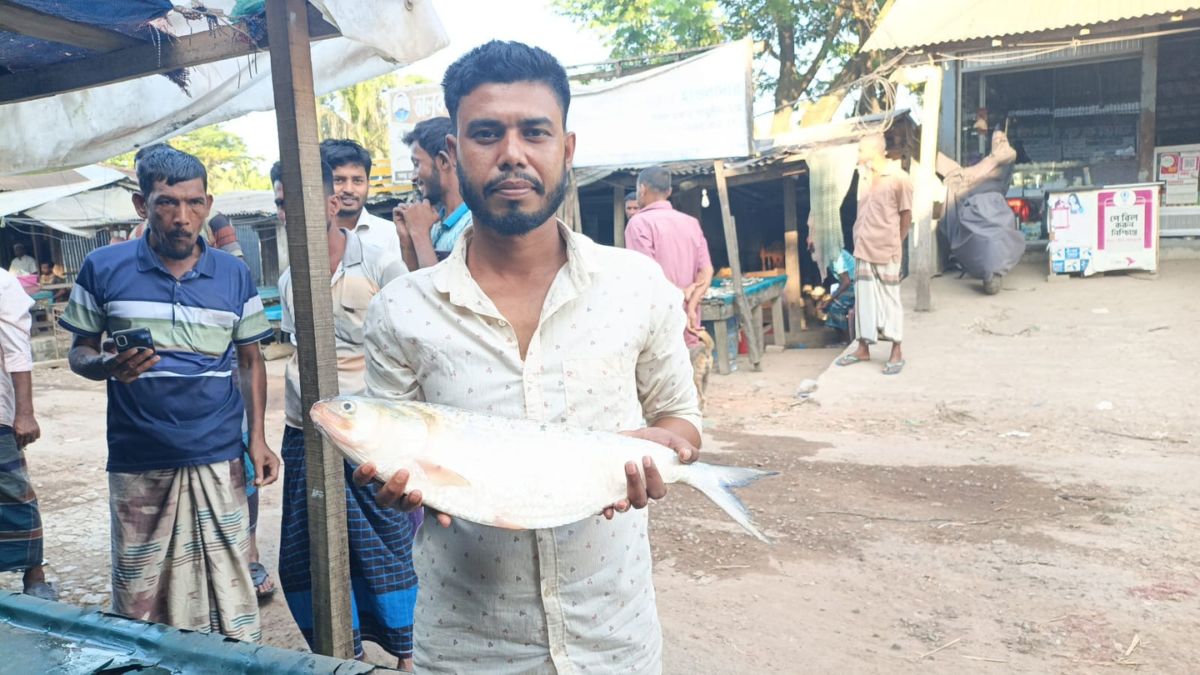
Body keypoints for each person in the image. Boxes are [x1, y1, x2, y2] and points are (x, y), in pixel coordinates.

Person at [356, 40, 702, 673]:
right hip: (465, 646)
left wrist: (663, 450)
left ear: (566, 149)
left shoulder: (636, 286)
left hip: (614, 638)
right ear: (454, 153)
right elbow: (395, 450)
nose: (512, 154)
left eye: (535, 132)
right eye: (487, 134)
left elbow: (681, 419)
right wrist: (395, 488)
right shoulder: (401, 310)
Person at [58, 146, 279, 641]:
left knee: (229, 594)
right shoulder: (103, 267)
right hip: (139, 458)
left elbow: (250, 360)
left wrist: (258, 439)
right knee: (139, 596)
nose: (183, 218)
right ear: (142, 204)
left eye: (194, 203)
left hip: (218, 454)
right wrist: (106, 366)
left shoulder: (233, 273)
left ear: (208, 204)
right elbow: (79, 352)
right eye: (167, 203)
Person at [271, 160, 416, 667]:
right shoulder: (288, 278)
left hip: (369, 431)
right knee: (307, 552)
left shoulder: (380, 263)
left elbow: (410, 342)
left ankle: (407, 656)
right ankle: (342, 652)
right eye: (282, 204)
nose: (290, 214)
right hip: (305, 431)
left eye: (301, 202)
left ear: (331, 203)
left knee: (389, 545)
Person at [625, 165, 715, 409]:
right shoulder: (691, 223)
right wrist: (691, 305)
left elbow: (647, 277)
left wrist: (677, 295)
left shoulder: (638, 224)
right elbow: (706, 272)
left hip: (658, 326)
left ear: (642, 189)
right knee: (690, 398)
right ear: (669, 191)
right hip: (691, 326)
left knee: (659, 403)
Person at [835, 134, 912, 375]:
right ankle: (863, 348)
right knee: (864, 300)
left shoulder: (899, 178)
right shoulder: (864, 176)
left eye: (861, 149)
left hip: (886, 248)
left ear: (875, 150)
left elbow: (906, 216)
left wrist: (896, 244)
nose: (858, 153)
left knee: (890, 300)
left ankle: (896, 350)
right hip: (863, 247)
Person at [0, 268, 52, 600]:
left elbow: (17, 348)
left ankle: (35, 575)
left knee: (14, 490)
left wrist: (25, 412)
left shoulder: (2, 283)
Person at [393, 116, 473, 270]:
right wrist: (407, 242)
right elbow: (414, 282)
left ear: (443, 161)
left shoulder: (473, 224)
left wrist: (420, 233)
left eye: (416, 164)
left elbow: (438, 286)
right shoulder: (435, 223)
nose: (413, 177)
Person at [321, 139, 401, 257]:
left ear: (368, 183)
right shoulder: (312, 233)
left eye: (357, 181)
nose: (349, 189)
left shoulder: (390, 233)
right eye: (338, 180)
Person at [820, 248, 856, 344]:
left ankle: (846, 340)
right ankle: (842, 339)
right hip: (850, 285)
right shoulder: (831, 256)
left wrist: (830, 299)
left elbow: (846, 282)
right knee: (829, 305)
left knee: (835, 307)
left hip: (856, 285)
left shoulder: (836, 257)